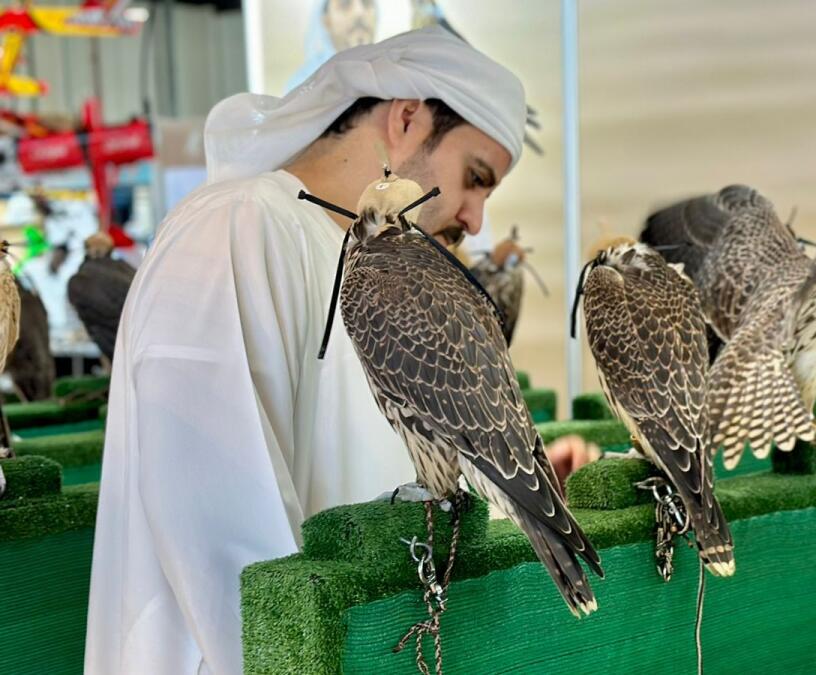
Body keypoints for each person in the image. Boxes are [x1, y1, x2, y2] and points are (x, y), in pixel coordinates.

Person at [85, 27, 589, 675]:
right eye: (475, 177)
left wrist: (507, 482)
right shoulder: (237, 228)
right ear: (406, 119)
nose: (475, 219)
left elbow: (369, 465)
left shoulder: (386, 268)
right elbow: (223, 543)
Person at [285, 0, 377, 93]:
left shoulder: (388, 70)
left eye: (366, 3)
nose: (359, 12)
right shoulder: (302, 85)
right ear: (327, 21)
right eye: (345, 5)